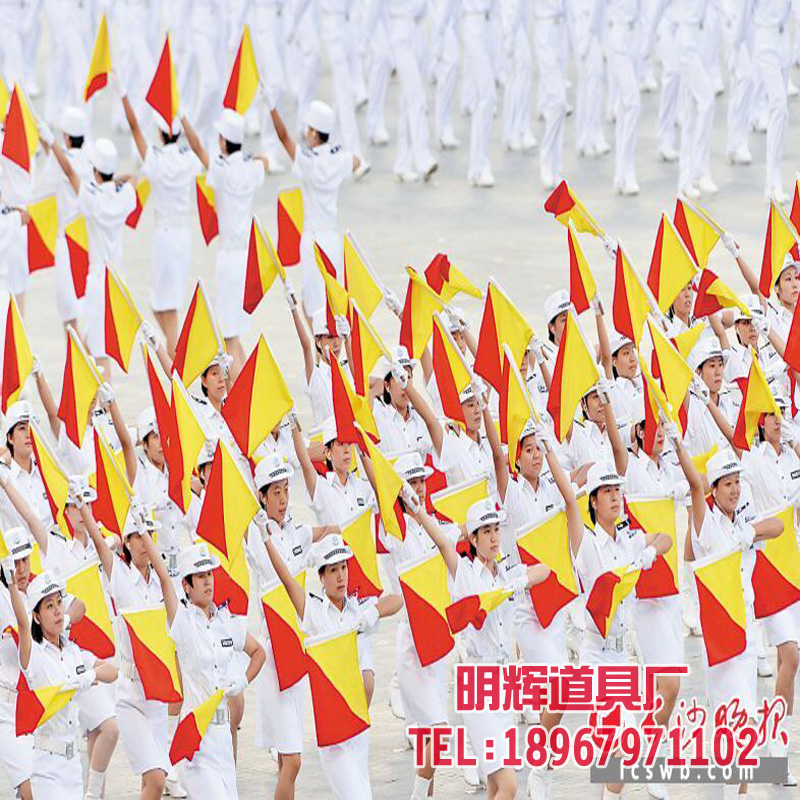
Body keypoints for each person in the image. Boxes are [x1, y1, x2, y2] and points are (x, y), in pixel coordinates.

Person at [416, 496, 550, 799]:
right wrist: (417, 508)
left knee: (495, 785)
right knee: (509, 785)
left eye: (496, 530)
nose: (493, 537)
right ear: (473, 538)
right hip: (478, 683)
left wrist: (517, 584)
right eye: (485, 531)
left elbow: (544, 570)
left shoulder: (505, 572)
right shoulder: (464, 573)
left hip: (505, 684)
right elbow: (441, 542)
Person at [675, 446, 783, 796]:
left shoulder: (742, 523)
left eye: (737, 482)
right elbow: (694, 486)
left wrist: (751, 533)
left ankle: (736, 793)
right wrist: (680, 445)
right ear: (715, 489)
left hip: (747, 631)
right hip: (721, 634)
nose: (735, 489)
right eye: (727, 484)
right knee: (741, 723)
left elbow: (780, 525)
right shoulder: (706, 527)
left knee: (738, 729)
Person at [263, 532, 402, 799]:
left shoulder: (358, 610)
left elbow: (397, 600)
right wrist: (266, 538)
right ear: (322, 577)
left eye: (343, 568)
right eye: (333, 570)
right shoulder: (314, 613)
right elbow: (286, 580)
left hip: (359, 729)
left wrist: (373, 613)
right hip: (334, 734)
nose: (341, 577)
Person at [245, 453, 338, 798]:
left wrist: (340, 529)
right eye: (276, 493)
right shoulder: (256, 533)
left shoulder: (297, 531)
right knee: (294, 760)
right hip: (273, 655)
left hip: (296, 650)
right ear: (263, 496)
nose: (283, 499)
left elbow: (328, 531)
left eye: (286, 491)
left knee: (290, 760)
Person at [152, 540, 266, 799]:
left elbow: (259, 653)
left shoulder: (226, 621)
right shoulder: (183, 623)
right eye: (200, 576)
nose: (208, 582)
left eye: (209, 575)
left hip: (223, 738)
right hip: (198, 741)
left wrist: (243, 680)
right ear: (186, 585)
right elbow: (162, 576)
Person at [8, 568, 117, 799]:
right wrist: (10, 583)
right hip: (46, 768)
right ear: (37, 616)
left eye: (59, 602)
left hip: (73, 766)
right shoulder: (34, 656)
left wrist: (89, 676)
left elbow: (112, 671)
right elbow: (22, 623)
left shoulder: (73, 652)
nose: (58, 610)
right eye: (49, 606)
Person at [39, 118, 138, 371]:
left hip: (97, 280)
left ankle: (101, 405)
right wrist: (113, 183)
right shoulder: (124, 196)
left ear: (95, 170)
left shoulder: (92, 200)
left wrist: (50, 142)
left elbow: (71, 173)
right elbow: (131, 180)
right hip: (118, 281)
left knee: (97, 352)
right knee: (99, 347)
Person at [117, 82, 202, 357]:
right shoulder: (188, 158)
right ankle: (178, 357)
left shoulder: (155, 159)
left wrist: (123, 94)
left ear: (161, 133)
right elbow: (199, 146)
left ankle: (176, 367)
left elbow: (134, 129)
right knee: (161, 305)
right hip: (183, 236)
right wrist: (184, 114)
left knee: (169, 310)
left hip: (165, 236)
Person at [181, 108, 269, 377]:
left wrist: (184, 117)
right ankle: (246, 387)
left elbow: (197, 148)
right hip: (247, 258)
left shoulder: (222, 169)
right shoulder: (250, 168)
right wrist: (248, 157)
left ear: (223, 141)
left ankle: (240, 397)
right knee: (237, 335)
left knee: (229, 337)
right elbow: (264, 161)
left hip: (230, 258)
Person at [269, 97, 365, 317]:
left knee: (312, 309)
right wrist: (335, 153)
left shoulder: (309, 161)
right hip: (332, 239)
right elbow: (357, 161)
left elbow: (283, 137)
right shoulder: (338, 159)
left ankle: (319, 352)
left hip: (312, 241)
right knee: (330, 306)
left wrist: (273, 108)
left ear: (314, 133)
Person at [39, 106, 93, 331]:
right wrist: (49, 143)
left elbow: (57, 167)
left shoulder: (64, 161)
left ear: (67, 137)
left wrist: (46, 140)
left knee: (68, 315)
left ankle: (82, 364)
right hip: (87, 236)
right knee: (82, 306)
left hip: (67, 239)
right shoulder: (91, 158)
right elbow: (60, 161)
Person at [0, 526, 35, 800]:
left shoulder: (39, 592)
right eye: (15, 562)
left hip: (35, 707)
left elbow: (78, 606)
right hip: (5, 708)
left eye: (25, 559)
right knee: (30, 789)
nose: (21, 568)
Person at [462, 0, 497, 187]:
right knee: (486, 96)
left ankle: (477, 167)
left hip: (490, 25)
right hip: (473, 25)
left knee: (483, 99)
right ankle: (480, 166)